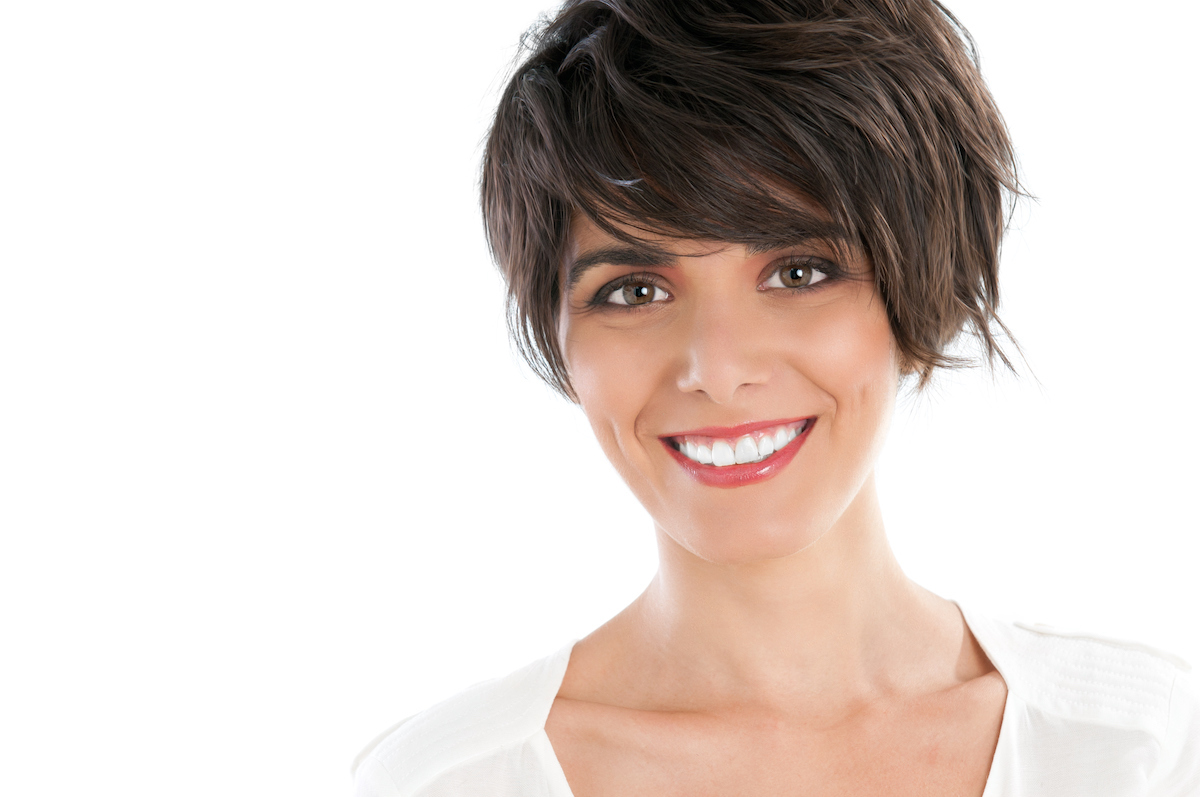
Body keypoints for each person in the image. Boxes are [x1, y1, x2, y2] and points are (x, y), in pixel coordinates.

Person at [352, 0, 1200, 794]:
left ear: (915, 289)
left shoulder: (1144, 748)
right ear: (563, 336)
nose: (717, 369)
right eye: (635, 291)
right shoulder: (453, 778)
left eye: (799, 272)